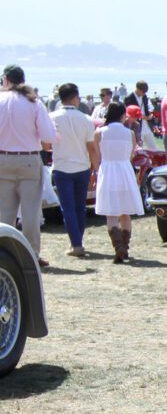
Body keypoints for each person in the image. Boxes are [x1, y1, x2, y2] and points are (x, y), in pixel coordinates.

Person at [0, 64, 57, 266]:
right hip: (28, 159)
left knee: (4, 212)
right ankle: (31, 254)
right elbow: (49, 136)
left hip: (3, 159)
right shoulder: (33, 102)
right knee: (30, 211)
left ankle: (5, 252)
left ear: (6, 80)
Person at [49, 83, 99, 258]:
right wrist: (95, 170)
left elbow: (46, 144)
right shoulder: (86, 119)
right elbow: (91, 148)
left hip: (62, 167)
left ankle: (76, 243)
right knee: (80, 207)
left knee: (68, 208)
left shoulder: (52, 117)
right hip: (82, 167)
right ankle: (77, 240)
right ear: (76, 97)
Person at [94, 104, 144, 263]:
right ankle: (125, 246)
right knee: (125, 212)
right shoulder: (130, 134)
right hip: (125, 171)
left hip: (108, 170)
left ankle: (118, 247)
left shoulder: (99, 133)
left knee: (111, 212)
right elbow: (130, 155)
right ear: (122, 115)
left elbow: (97, 154)